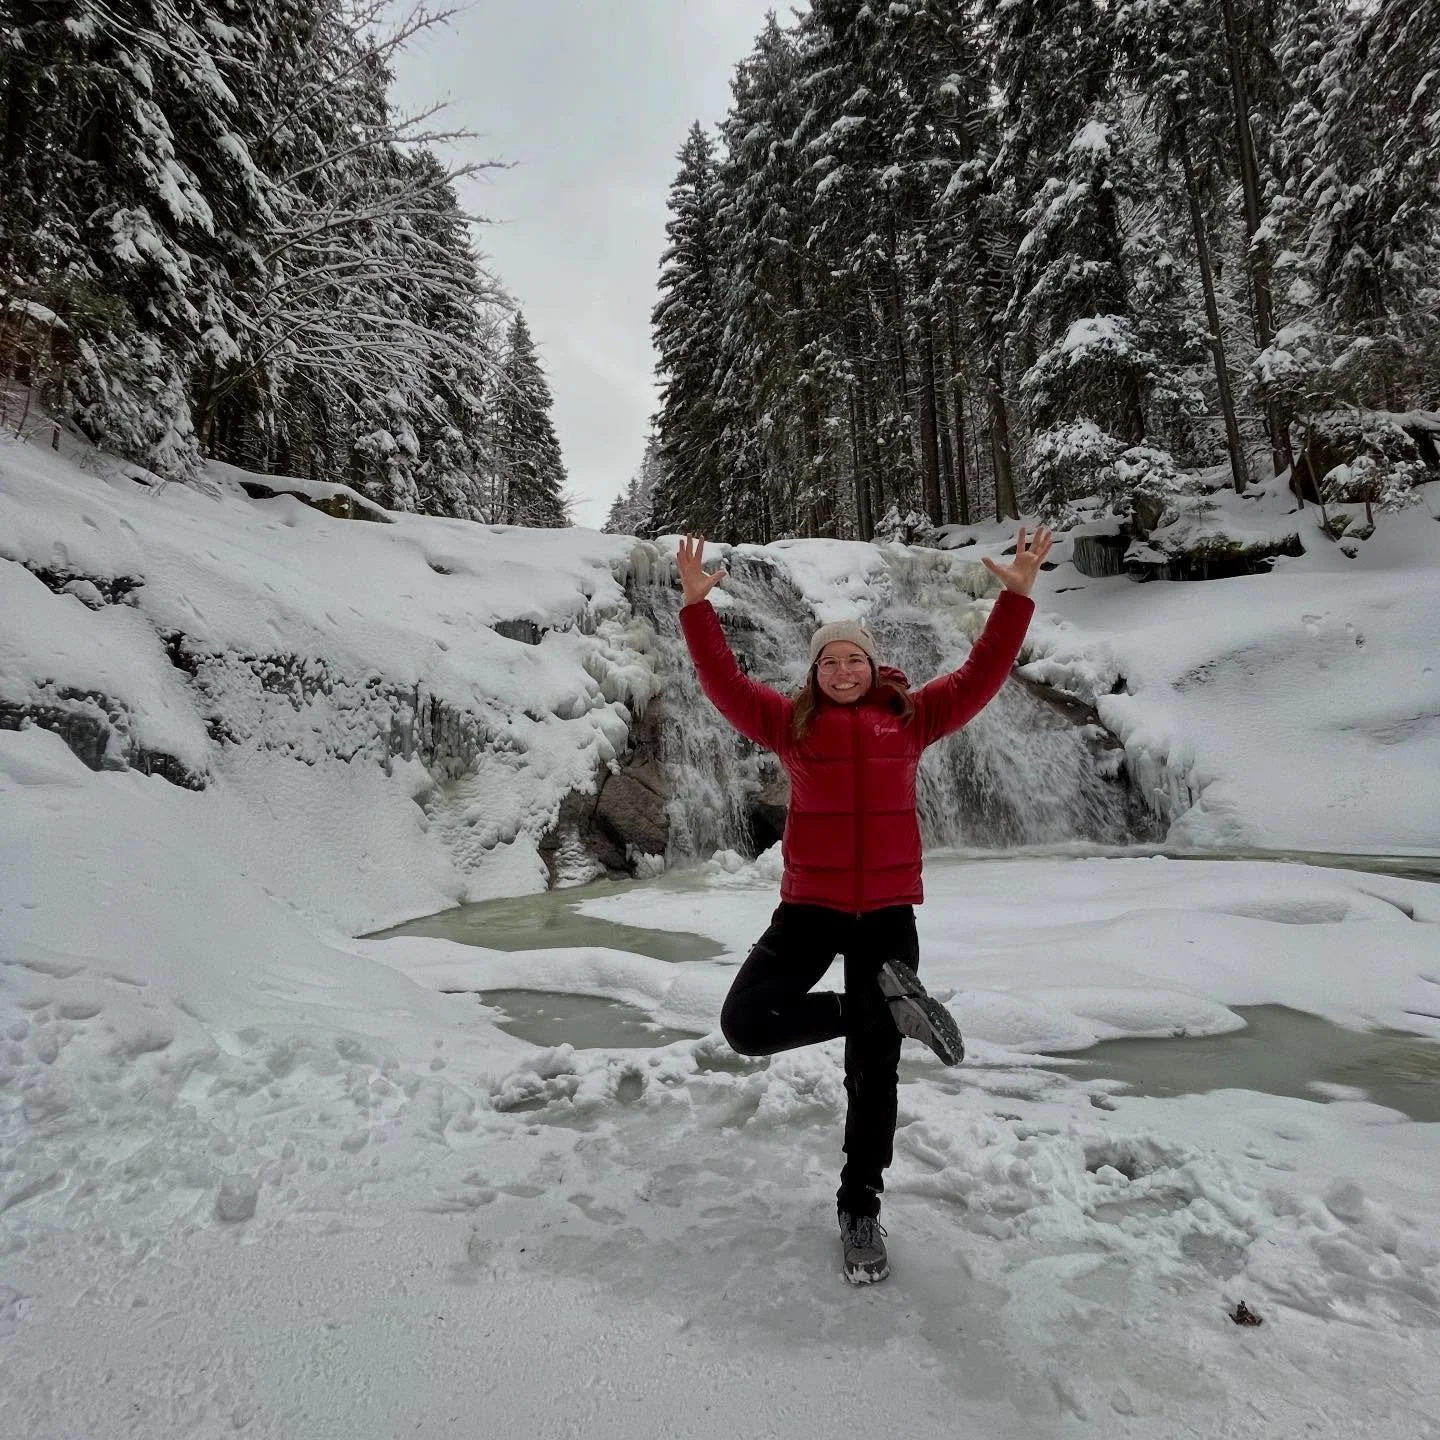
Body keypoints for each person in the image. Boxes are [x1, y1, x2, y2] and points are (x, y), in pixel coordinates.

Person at [676, 526, 1052, 1284]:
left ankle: (860, 1208)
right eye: (830, 660)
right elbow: (724, 684)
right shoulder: (789, 725)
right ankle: (877, 1009)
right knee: (746, 1024)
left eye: (854, 658)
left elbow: (980, 675)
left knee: (871, 1075)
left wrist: (1016, 600)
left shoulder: (912, 718)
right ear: (814, 674)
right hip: (808, 909)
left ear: (873, 666)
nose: (843, 668)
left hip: (885, 914)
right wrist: (694, 609)